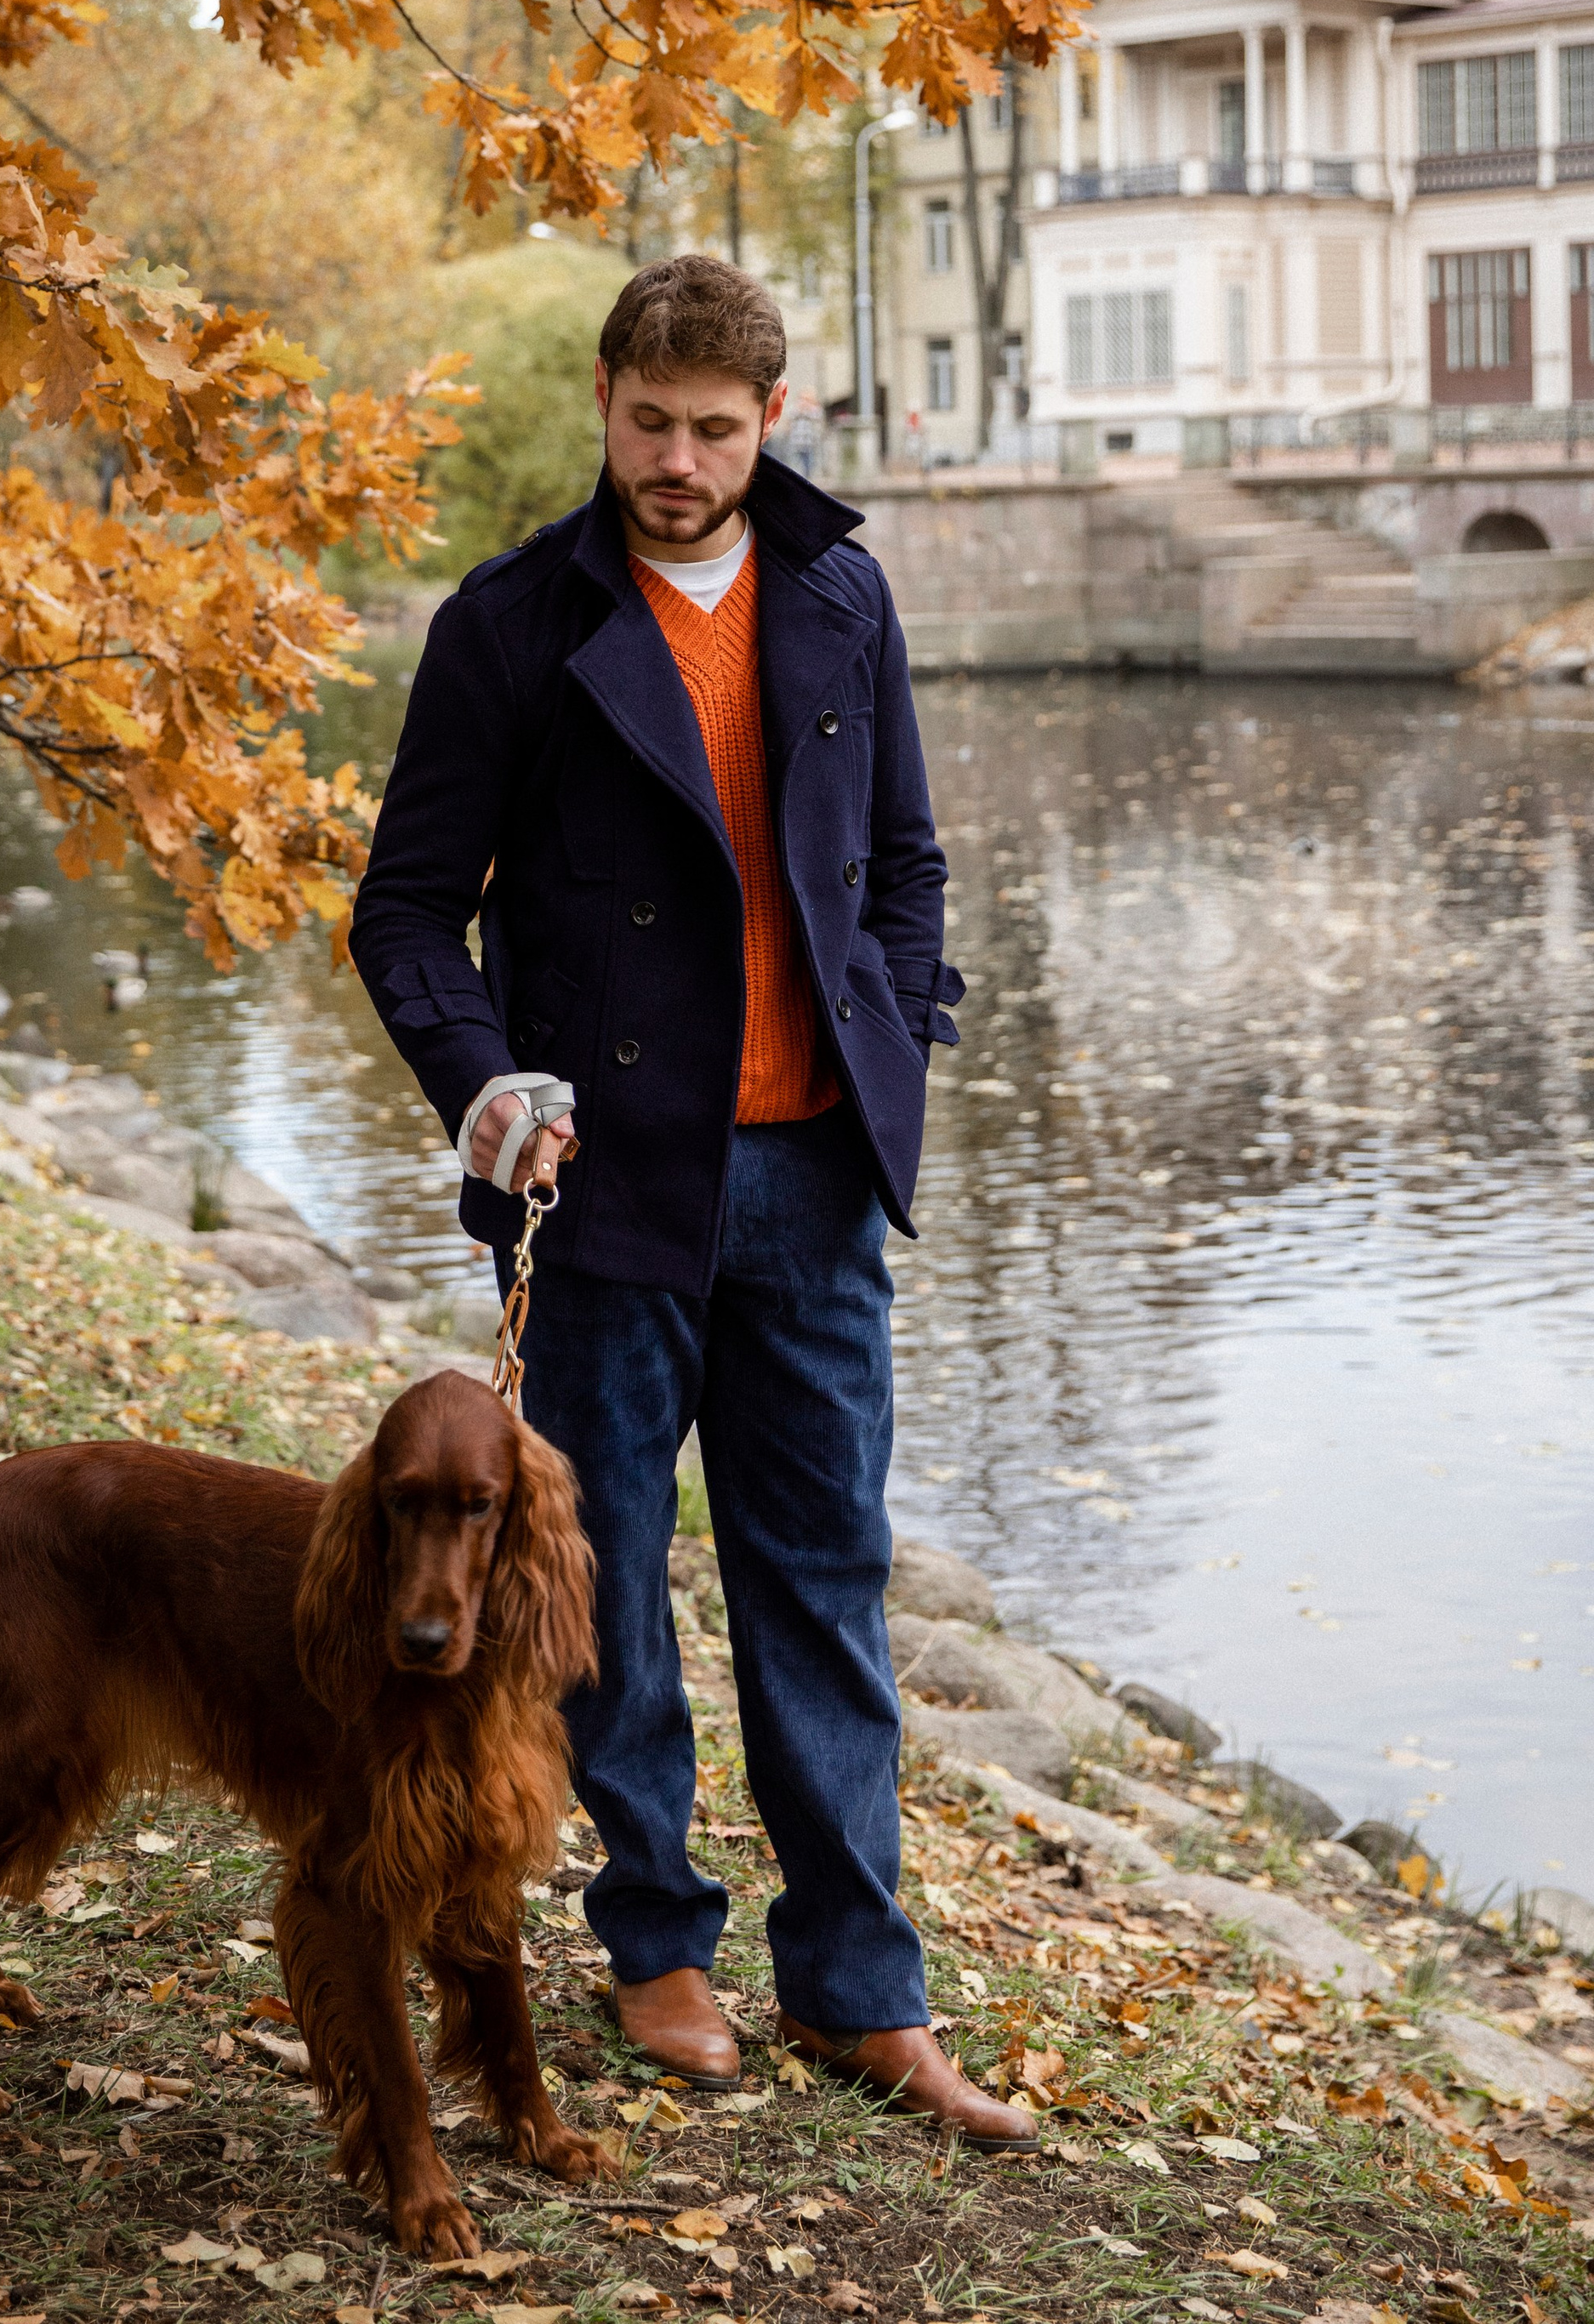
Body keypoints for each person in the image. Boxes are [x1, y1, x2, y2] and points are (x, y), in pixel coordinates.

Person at [348, 256, 1031, 2146]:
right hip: (602, 1194)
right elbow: (405, 908)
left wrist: (899, 1020)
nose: (672, 460)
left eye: (710, 430)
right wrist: (479, 1081)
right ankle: (654, 1941)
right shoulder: (507, 624)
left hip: (813, 1181)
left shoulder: (836, 589)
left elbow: (900, 860)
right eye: (644, 423)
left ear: (770, 419)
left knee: (820, 1583)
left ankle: (859, 1988)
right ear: (603, 401)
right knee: (597, 1595)